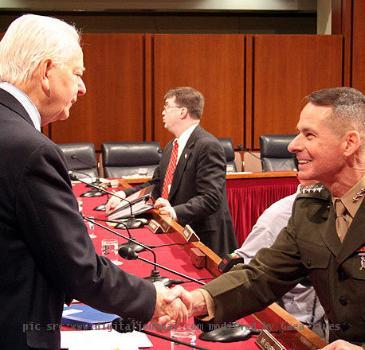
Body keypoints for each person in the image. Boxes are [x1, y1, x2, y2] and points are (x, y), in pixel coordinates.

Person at [0, 14, 187, 350]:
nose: (83, 88)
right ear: (46, 72)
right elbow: (78, 269)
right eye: (77, 74)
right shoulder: (29, 149)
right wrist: (151, 299)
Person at [176, 87, 365, 349]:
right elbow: (264, 275)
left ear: (349, 143)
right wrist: (200, 298)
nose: (293, 145)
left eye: (309, 135)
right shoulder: (310, 206)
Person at [106, 87, 238, 256]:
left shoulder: (207, 145)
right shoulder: (171, 147)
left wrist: (175, 211)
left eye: (167, 106)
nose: (162, 112)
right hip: (178, 232)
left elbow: (210, 198)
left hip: (204, 238)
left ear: (183, 112)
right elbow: (156, 184)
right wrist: (124, 196)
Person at [234, 182, 326, 335]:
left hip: (327, 322)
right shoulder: (277, 217)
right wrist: (205, 299)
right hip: (289, 326)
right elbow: (248, 271)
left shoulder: (343, 213)